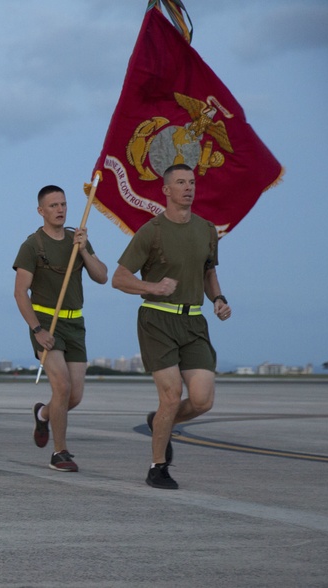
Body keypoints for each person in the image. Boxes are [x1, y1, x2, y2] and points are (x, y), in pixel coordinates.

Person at [112, 164, 232, 490]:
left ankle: (158, 423)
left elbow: (208, 273)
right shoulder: (152, 231)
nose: (188, 188)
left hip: (194, 320)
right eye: (180, 182)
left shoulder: (207, 230)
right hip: (157, 319)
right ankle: (158, 467)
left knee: (203, 399)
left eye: (191, 182)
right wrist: (152, 288)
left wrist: (218, 299)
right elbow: (119, 278)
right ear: (166, 189)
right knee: (171, 394)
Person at [13, 185, 108, 472]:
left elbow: (102, 276)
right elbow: (20, 293)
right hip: (46, 323)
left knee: (74, 396)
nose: (60, 209)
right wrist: (37, 329)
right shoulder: (32, 245)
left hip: (74, 323)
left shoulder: (75, 239)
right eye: (53, 205)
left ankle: (43, 414)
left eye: (63, 204)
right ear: (41, 211)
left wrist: (84, 249)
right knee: (62, 386)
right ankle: (60, 452)